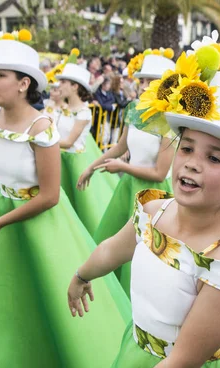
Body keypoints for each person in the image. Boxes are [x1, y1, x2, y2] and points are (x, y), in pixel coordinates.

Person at [68, 65, 220, 368]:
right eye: (186, 148)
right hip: (139, 359)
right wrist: (82, 275)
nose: (191, 163)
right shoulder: (153, 210)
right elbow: (112, 250)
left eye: (214, 158)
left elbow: (184, 365)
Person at [0, 32, 129, 368]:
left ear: (24, 83)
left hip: (40, 223)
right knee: (7, 300)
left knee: (53, 300)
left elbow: (50, 196)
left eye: (0, 75)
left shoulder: (42, 127)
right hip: (5, 213)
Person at [79, 52, 176, 295]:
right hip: (129, 188)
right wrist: (92, 166)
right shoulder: (134, 109)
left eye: (151, 81)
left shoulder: (171, 120)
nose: (143, 86)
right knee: (110, 244)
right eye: (142, 81)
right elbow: (121, 146)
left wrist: (122, 167)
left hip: (155, 196)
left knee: (142, 256)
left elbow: (159, 172)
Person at [55, 62, 119, 235]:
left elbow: (69, 142)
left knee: (82, 207)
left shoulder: (84, 112)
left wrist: (39, 140)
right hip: (59, 160)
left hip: (75, 161)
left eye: (63, 82)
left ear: (75, 86)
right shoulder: (61, 109)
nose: (59, 86)